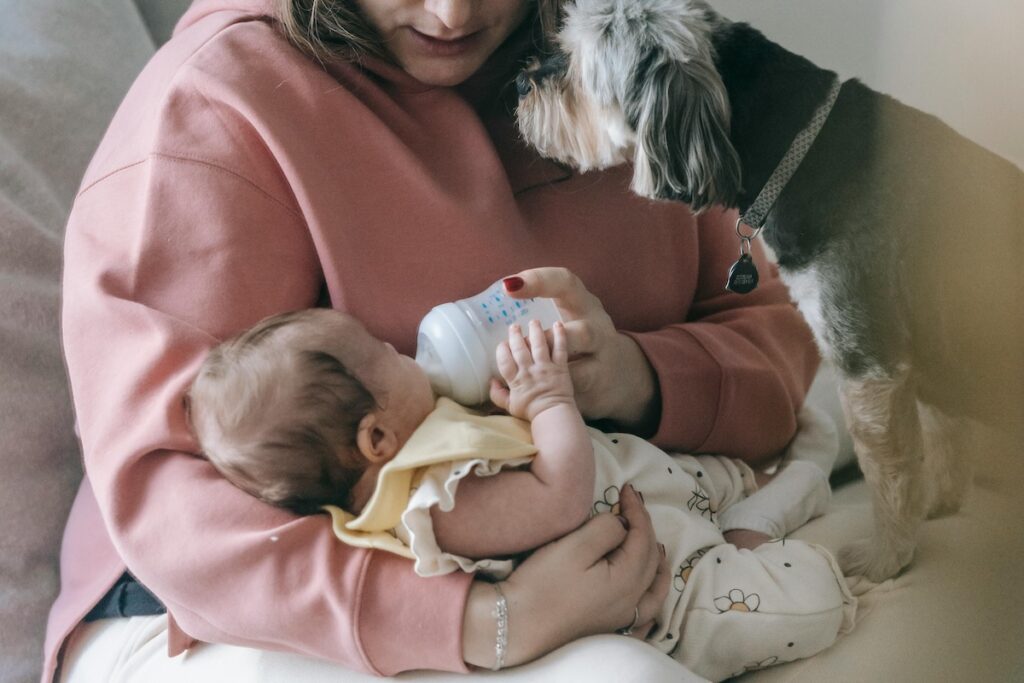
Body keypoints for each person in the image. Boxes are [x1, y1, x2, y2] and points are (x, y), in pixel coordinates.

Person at [50, 0, 821, 680]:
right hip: (222, 610)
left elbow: (778, 332)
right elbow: (173, 503)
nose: (451, 14)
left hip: (597, 543)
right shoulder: (220, 102)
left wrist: (635, 376)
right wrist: (486, 619)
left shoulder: (638, 53)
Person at [185, 308, 853, 681]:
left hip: (656, 486)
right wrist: (549, 400)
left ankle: (779, 486)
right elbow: (558, 497)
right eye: (381, 351)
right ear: (378, 438)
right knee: (798, 602)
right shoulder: (436, 502)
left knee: (759, 460)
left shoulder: (424, 442)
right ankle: (789, 553)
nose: (397, 342)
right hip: (664, 580)